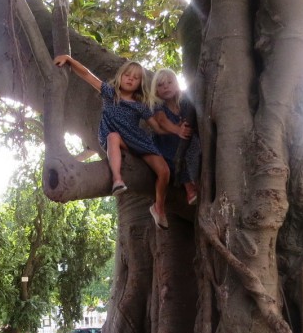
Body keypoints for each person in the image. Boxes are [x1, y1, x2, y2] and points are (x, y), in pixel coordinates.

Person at [54, 54, 179, 230]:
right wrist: (69, 59)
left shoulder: (140, 104)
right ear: (120, 76)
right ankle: (117, 179)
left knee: (164, 171)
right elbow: (87, 75)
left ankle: (158, 207)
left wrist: (177, 130)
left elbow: (157, 128)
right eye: (128, 75)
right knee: (112, 136)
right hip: (118, 138)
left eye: (136, 78)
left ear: (139, 84)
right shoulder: (110, 93)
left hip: (138, 140)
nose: (130, 79)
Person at [150, 68, 199, 205]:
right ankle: (189, 188)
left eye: (169, 83)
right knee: (175, 150)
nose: (165, 87)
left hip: (185, 137)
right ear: (156, 91)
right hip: (165, 141)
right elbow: (162, 121)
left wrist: (185, 128)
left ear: (177, 85)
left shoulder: (183, 102)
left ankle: (198, 179)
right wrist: (177, 130)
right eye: (160, 85)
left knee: (195, 144)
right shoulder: (158, 104)